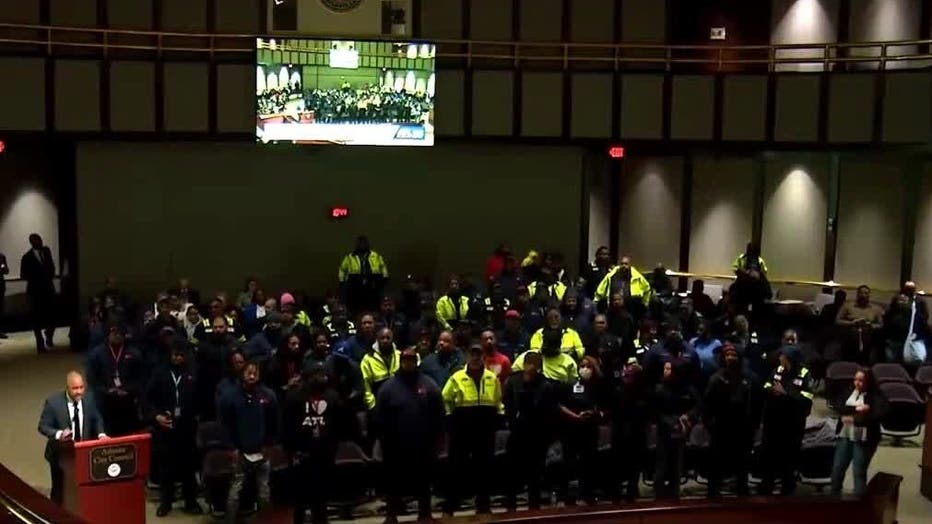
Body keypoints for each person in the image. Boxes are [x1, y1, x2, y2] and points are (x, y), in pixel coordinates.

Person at [372, 347, 443, 523]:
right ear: (401, 361)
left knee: (424, 481)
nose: (408, 362)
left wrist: (436, 438)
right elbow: (379, 417)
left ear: (416, 361)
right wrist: (384, 440)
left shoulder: (428, 384)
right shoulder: (387, 388)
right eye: (405, 360)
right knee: (392, 482)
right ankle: (391, 515)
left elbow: (438, 413)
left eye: (411, 359)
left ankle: (425, 513)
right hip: (395, 444)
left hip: (423, 443)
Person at [283, 363, 350, 524]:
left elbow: (340, 422)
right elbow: (287, 426)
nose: (323, 377)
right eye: (319, 375)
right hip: (302, 454)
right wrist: (291, 450)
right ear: (309, 377)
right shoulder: (295, 397)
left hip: (325, 453)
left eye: (324, 375)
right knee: (300, 499)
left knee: (321, 498)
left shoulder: (332, 396)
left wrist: (334, 445)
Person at [441, 348, 504, 516]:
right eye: (472, 354)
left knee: (484, 467)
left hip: (485, 426)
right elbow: (445, 398)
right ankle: (450, 505)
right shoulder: (456, 378)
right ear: (467, 356)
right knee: (456, 466)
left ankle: (483, 505)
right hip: (462, 426)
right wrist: (449, 417)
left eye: (479, 355)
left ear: (483, 357)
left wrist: (500, 416)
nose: (475, 358)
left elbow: (498, 401)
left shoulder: (492, 378)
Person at [217, 361, 280, 524]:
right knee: (235, 490)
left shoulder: (268, 396)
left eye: (255, 373)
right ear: (242, 374)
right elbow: (225, 425)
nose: (252, 376)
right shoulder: (229, 397)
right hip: (239, 451)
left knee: (264, 491)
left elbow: (274, 423)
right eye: (248, 373)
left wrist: (269, 444)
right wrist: (232, 447)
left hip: (262, 450)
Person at [146, 344, 202, 517]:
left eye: (181, 355)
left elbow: (200, 397)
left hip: (187, 427)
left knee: (188, 467)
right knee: (166, 468)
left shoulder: (192, 372)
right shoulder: (160, 373)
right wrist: (157, 417)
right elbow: (147, 400)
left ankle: (191, 502)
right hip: (166, 426)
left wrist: (196, 417)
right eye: (175, 355)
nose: (178, 358)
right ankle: (166, 502)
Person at [37, 371, 108, 505]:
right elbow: (43, 426)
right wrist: (59, 434)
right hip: (60, 454)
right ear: (67, 388)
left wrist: (101, 434)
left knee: (84, 487)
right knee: (59, 489)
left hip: (84, 452)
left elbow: (96, 418)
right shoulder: (53, 403)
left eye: (81, 387)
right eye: (75, 388)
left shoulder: (90, 399)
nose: (79, 392)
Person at [503, 351, 558, 510]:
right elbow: (508, 403)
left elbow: (549, 410)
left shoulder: (546, 384)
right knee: (512, 471)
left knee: (535, 474)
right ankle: (511, 506)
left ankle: (534, 508)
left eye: (535, 365)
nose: (532, 368)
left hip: (537, 434)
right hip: (517, 432)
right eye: (529, 364)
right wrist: (512, 420)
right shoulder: (513, 381)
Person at [758, 344, 814, 496]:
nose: (780, 357)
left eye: (782, 355)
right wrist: (770, 390)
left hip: (792, 424)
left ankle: (787, 488)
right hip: (774, 421)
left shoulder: (804, 374)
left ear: (790, 358)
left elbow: (807, 399)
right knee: (769, 454)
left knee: (789, 458)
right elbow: (766, 384)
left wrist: (786, 395)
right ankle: (766, 485)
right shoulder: (778, 370)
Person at [702, 344, 756, 498]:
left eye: (734, 354)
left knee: (742, 465)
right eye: (728, 355)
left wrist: (752, 426)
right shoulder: (715, 379)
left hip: (742, 429)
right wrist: (710, 425)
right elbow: (706, 406)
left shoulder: (750, 378)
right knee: (716, 465)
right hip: (721, 428)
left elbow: (756, 404)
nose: (731, 357)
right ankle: (713, 493)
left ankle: (742, 491)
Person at [830, 368, 889, 497]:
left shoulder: (876, 396)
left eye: (861, 380)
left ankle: (859, 503)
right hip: (845, 435)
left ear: (869, 382)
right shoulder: (848, 391)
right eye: (856, 379)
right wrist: (857, 410)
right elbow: (838, 405)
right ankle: (833, 498)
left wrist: (855, 418)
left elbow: (879, 413)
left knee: (859, 471)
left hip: (864, 439)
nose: (857, 383)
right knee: (837, 468)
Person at [557, 356, 605, 505]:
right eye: (582, 366)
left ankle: (586, 495)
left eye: (588, 366)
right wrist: (575, 416)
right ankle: (563, 497)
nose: (585, 369)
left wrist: (593, 413)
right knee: (567, 462)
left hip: (589, 429)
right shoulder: (570, 384)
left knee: (588, 463)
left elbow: (604, 409)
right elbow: (561, 405)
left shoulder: (598, 387)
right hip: (571, 428)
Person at [651, 361, 699, 500]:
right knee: (661, 463)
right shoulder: (659, 389)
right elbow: (656, 411)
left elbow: (697, 406)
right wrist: (673, 422)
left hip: (681, 431)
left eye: (669, 369)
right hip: (665, 430)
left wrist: (687, 416)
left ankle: (674, 492)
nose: (666, 371)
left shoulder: (687, 388)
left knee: (677, 464)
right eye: (664, 369)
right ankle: (659, 494)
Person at [85, 325, 144, 436]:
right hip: (105, 400)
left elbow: (140, 377)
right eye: (114, 333)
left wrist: (128, 389)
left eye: (120, 333)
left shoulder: (134, 353)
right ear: (108, 335)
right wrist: (107, 390)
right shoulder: (97, 354)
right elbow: (92, 379)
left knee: (128, 433)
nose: (117, 336)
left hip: (128, 400)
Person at [610, 358, 650, 502]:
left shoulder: (644, 395)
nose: (626, 375)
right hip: (620, 434)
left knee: (635, 466)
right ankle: (615, 494)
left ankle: (631, 494)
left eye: (630, 375)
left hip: (636, 435)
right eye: (626, 374)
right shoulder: (618, 391)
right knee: (617, 465)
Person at [195, 316, 238, 420]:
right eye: (215, 327)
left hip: (230, 387)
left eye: (221, 327)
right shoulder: (204, 346)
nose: (218, 330)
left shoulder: (235, 345)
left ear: (226, 327)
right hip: (209, 389)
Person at [21, 233, 57, 352]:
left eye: (40, 239)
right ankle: (40, 343)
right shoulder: (27, 257)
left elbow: (52, 267)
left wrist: (49, 275)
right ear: (31, 242)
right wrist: (36, 277)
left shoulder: (46, 251)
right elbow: (23, 275)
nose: (39, 242)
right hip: (35, 291)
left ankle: (49, 334)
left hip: (48, 288)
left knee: (53, 315)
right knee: (36, 318)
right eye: (36, 240)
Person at [338, 235, 388, 314]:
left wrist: (384, 278)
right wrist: (342, 282)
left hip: (372, 283)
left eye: (364, 243)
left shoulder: (375, 255)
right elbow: (342, 269)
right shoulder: (350, 257)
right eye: (360, 243)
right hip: (355, 283)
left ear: (367, 244)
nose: (362, 245)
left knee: (372, 306)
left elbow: (383, 266)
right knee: (356, 307)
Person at [594, 255, 652, 320]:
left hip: (631, 309)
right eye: (622, 264)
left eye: (626, 264)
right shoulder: (611, 276)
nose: (623, 266)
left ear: (630, 265)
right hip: (613, 308)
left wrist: (645, 304)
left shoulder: (637, 277)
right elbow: (600, 290)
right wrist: (595, 302)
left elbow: (647, 289)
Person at [836, 285, 884, 363]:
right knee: (852, 334)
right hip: (850, 331)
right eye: (861, 293)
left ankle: (865, 360)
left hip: (869, 333)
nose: (863, 295)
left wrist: (870, 325)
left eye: (866, 293)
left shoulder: (876, 309)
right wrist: (851, 323)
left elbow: (881, 324)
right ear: (857, 294)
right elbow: (837, 320)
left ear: (869, 295)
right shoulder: (847, 305)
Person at [360, 327, 401, 410]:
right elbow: (366, 385)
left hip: (398, 403)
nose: (385, 341)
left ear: (392, 339)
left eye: (388, 338)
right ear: (377, 340)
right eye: (382, 338)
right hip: (378, 404)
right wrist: (372, 405)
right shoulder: (368, 359)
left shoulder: (400, 356)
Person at [730, 242, 771, 316]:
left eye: (752, 249)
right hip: (742, 286)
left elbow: (764, 271)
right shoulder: (741, 257)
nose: (750, 251)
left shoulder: (759, 260)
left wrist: (756, 274)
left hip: (755, 288)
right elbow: (734, 268)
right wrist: (743, 272)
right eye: (749, 249)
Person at [265, 333, 307, 400]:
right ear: (286, 344)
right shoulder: (276, 361)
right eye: (293, 344)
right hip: (279, 393)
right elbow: (271, 384)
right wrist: (287, 385)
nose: (297, 346)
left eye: (298, 344)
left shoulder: (298, 358)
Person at [690, 320, 723, 385]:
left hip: (710, 378)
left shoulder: (717, 344)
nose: (697, 332)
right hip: (694, 377)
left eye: (701, 330)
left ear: (708, 332)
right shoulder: (693, 342)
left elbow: (719, 366)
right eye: (698, 329)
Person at [0, 251, 8, 338]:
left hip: (0, 285)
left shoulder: (1, 256)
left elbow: (6, 271)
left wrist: (3, 268)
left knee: (0, 308)